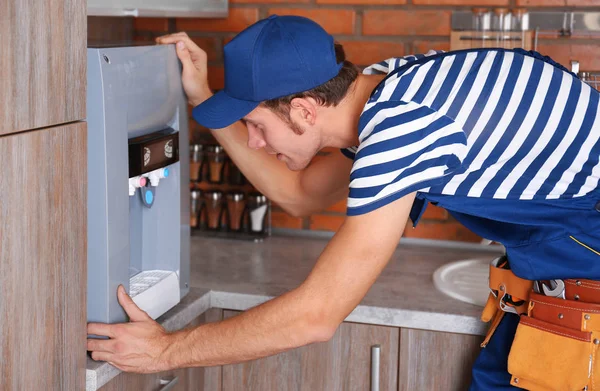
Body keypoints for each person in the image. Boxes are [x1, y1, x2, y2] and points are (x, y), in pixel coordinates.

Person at [87, 15, 600, 390]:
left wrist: (164, 350)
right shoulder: (382, 86)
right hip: (551, 283)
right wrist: (203, 101)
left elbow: (316, 316)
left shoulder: (402, 128)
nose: (257, 143)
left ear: (307, 111)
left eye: (257, 126)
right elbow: (300, 193)